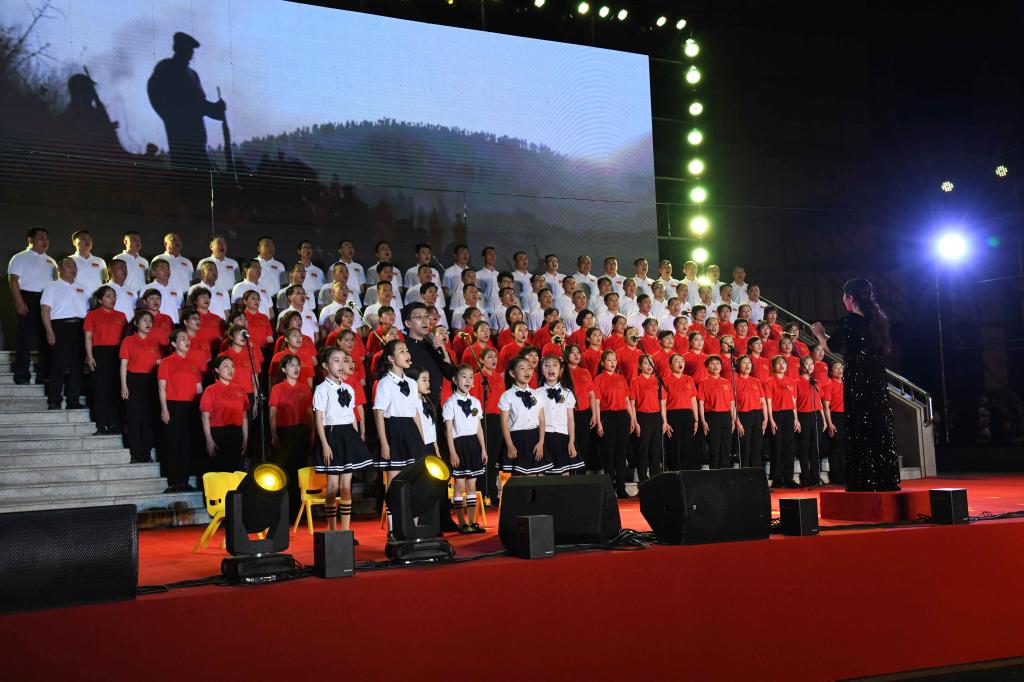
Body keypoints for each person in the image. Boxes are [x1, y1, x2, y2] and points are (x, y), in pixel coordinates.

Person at [810, 278, 900, 492]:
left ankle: (864, 478)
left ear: (850, 298)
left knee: (860, 425)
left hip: (858, 379)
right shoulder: (877, 320)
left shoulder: (849, 320)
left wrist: (819, 334)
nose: (843, 300)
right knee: (878, 424)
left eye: (844, 296)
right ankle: (884, 477)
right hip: (877, 379)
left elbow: (831, 346)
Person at [146, 31, 226, 169]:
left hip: (198, 138)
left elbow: (199, 103)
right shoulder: (166, 69)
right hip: (180, 139)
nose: (191, 53)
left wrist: (216, 109)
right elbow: (157, 94)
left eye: (191, 50)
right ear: (178, 49)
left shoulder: (193, 74)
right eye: (188, 49)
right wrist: (170, 117)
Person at [313, 347, 371, 535]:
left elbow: (352, 416)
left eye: (343, 360)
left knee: (346, 486)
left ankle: (346, 531)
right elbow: (319, 419)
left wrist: (356, 439)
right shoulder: (322, 389)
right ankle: (332, 531)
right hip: (332, 435)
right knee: (332, 486)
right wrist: (325, 444)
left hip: (348, 435)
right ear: (325, 365)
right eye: (335, 360)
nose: (341, 364)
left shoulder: (349, 388)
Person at [157, 328, 203, 493]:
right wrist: (164, 409)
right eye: (182, 338)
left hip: (191, 407)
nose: (187, 341)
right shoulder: (167, 362)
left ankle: (184, 481)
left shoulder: (193, 363)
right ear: (174, 343)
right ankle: (173, 482)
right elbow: (162, 387)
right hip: (173, 405)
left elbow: (199, 389)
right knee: (173, 443)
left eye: (187, 338)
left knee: (187, 445)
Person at [444, 365, 488, 532]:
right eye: (464, 376)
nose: (468, 380)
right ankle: (461, 523)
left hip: (474, 444)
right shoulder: (450, 403)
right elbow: (448, 430)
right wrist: (452, 452)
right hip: (459, 445)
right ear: (455, 380)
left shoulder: (475, 402)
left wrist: (483, 448)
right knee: (460, 486)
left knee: (472, 486)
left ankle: (472, 522)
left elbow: (478, 427)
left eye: (471, 377)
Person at [40, 258, 89, 410]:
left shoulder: (83, 287)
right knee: (58, 365)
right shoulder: (51, 286)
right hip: (60, 326)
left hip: (80, 327)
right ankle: (54, 400)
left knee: (77, 366)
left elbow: (89, 312)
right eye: (68, 265)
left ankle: (73, 401)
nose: (73, 268)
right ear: (60, 270)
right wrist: (49, 331)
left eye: (74, 265)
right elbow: (45, 310)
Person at [9, 228, 56, 385]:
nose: (45, 241)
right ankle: (22, 374)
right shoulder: (20, 257)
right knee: (24, 338)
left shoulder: (51, 261)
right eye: (41, 238)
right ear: (30, 240)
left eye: (47, 238)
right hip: (27, 297)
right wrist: (19, 302)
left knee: (46, 337)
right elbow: (13, 280)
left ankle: (44, 375)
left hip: (46, 300)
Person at [268, 354, 313, 518]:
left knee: (300, 472)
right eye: (292, 365)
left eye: (297, 365)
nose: (296, 368)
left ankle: (299, 512)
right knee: (285, 472)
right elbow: (272, 414)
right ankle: (284, 512)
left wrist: (312, 434)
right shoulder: (277, 388)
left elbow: (310, 414)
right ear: (283, 369)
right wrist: (274, 435)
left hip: (301, 432)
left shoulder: (304, 388)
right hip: (284, 433)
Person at [120, 310, 162, 463]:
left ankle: (146, 453)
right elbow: (124, 365)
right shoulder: (128, 340)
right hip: (133, 380)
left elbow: (159, 362)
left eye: (150, 321)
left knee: (148, 419)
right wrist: (124, 386)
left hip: (151, 381)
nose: (148, 323)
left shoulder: (155, 341)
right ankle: (136, 454)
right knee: (134, 419)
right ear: (136, 323)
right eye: (144, 320)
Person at [85, 285, 127, 435]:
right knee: (100, 390)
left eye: (114, 296)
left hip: (117, 354)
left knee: (115, 389)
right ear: (100, 300)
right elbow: (88, 337)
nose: (112, 299)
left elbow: (126, 338)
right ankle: (101, 425)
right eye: (108, 296)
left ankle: (115, 424)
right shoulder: (92, 315)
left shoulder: (121, 316)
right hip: (100, 353)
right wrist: (90, 356)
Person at [499, 357, 548, 476]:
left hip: (534, 438)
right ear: (512, 373)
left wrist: (541, 442)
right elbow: (504, 422)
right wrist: (510, 445)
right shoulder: (507, 395)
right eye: (522, 368)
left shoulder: (537, 394)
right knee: (514, 478)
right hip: (516, 439)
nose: (527, 371)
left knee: (535, 476)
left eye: (529, 368)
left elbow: (542, 420)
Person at [200, 356, 250, 472]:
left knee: (236, 469)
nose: (230, 369)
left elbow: (244, 417)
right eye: (226, 366)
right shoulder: (210, 390)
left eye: (232, 366)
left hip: (237, 433)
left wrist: (245, 437)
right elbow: (205, 417)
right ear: (217, 370)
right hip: (219, 433)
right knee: (221, 469)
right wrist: (209, 439)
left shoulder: (240, 389)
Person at [594, 350, 632, 498]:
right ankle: (610, 489)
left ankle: (621, 488)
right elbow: (597, 403)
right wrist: (599, 423)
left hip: (623, 416)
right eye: (609, 360)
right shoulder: (599, 379)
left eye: (614, 360)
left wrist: (632, 419)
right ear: (602, 363)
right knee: (609, 454)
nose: (612, 363)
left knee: (621, 454)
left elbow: (627, 400)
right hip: (607, 417)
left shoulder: (621, 378)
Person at [470, 347, 504, 504]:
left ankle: (493, 492)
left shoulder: (499, 378)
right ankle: (482, 492)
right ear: (481, 360)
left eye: (495, 356)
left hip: (497, 420)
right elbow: (474, 403)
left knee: (494, 458)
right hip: (483, 420)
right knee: (484, 457)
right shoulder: (477, 378)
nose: (493, 359)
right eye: (489, 357)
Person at [537, 355, 579, 476]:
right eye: (546, 365)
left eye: (555, 365)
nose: (551, 368)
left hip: (563, 438)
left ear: (561, 370)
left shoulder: (567, 393)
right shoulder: (536, 393)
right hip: (544, 437)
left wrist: (571, 441)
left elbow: (570, 419)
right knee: (542, 474)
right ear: (542, 370)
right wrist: (540, 442)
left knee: (564, 475)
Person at [630, 355, 667, 481]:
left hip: (656, 417)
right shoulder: (635, 381)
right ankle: (643, 479)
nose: (649, 365)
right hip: (643, 417)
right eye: (646, 363)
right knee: (643, 449)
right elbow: (632, 403)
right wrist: (635, 422)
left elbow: (662, 403)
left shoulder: (657, 381)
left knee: (655, 449)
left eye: (651, 363)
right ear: (640, 366)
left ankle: (655, 478)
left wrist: (665, 421)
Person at [765, 356, 800, 489]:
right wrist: (771, 419)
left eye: (784, 363)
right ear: (773, 366)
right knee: (777, 446)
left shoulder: (791, 381)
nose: (782, 365)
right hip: (776, 415)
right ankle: (777, 478)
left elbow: (793, 401)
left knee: (789, 447)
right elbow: (768, 402)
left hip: (789, 415)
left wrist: (796, 418)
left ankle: (789, 478)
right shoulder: (769, 381)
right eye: (778, 363)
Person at [565, 344, 600, 474]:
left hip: (584, 413)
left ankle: (581, 475)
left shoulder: (585, 372)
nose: (576, 355)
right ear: (566, 355)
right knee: (570, 444)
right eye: (572, 352)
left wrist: (594, 414)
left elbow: (591, 394)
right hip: (568, 414)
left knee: (583, 445)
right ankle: (570, 475)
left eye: (578, 352)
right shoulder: (563, 372)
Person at [698, 355, 735, 469]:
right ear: (707, 367)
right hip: (712, 416)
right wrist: (703, 421)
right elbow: (701, 403)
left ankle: (725, 472)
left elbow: (732, 403)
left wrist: (733, 419)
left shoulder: (726, 382)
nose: (716, 366)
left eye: (718, 363)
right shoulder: (703, 382)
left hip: (726, 416)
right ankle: (714, 473)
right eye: (712, 363)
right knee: (714, 447)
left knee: (726, 447)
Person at [795, 355, 826, 486]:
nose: (809, 366)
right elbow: (794, 403)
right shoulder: (796, 382)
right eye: (806, 364)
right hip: (803, 415)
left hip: (816, 415)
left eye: (811, 364)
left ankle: (816, 477)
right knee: (804, 447)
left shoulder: (816, 382)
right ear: (801, 366)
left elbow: (819, 401)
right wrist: (796, 420)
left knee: (815, 447)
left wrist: (824, 419)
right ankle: (806, 477)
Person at [664, 354, 699, 470]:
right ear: (670, 365)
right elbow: (663, 403)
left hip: (687, 415)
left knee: (688, 445)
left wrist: (696, 420)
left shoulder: (689, 379)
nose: (680, 363)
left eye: (682, 360)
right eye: (676, 361)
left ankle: (688, 473)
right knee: (675, 445)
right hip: (673, 415)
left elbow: (693, 400)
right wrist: (665, 422)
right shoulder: (665, 380)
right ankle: (675, 472)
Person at [734, 355, 768, 469]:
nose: (747, 365)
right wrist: (737, 421)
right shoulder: (734, 381)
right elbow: (732, 404)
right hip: (743, 415)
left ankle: (756, 473)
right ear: (738, 365)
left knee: (757, 446)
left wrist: (766, 418)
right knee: (745, 447)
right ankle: (745, 474)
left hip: (757, 415)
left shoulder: (756, 381)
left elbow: (763, 401)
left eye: (749, 362)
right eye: (744, 362)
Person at [822, 361, 846, 485]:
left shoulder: (846, 384)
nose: (839, 370)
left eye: (841, 367)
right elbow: (826, 407)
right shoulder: (828, 385)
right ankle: (837, 477)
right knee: (836, 447)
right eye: (836, 368)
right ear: (831, 372)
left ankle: (846, 475)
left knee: (844, 448)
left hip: (846, 417)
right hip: (835, 416)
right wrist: (829, 423)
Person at [113, 231, 149, 296]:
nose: (138, 242)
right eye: (134, 240)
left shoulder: (144, 261)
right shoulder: (118, 259)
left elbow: (147, 281)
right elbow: (114, 279)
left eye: (139, 240)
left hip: (142, 296)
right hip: (125, 295)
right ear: (125, 242)